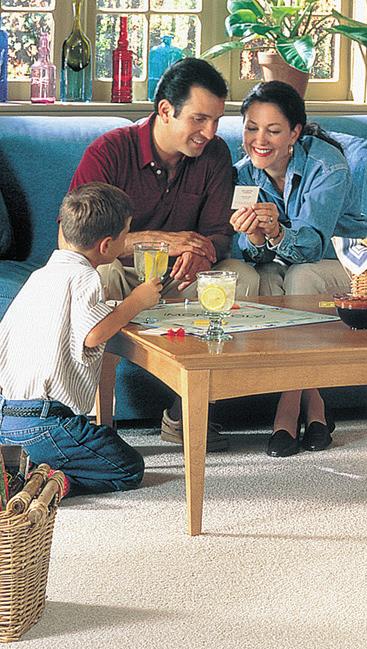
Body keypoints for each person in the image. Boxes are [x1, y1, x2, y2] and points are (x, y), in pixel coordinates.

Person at [68, 57, 258, 452]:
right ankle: (102, 424)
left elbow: (219, 233)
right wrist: (157, 241)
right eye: (199, 119)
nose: (210, 132)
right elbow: (73, 242)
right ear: (166, 110)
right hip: (120, 274)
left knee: (240, 278)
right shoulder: (109, 152)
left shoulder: (215, 155)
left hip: (181, 278)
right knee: (98, 278)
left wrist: (204, 255)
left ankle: (182, 415)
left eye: (216, 120)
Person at [230, 81, 367, 458]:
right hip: (288, 263)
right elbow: (253, 256)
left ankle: (287, 408)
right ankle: (316, 404)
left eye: (273, 130)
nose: (259, 140)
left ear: (294, 132)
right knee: (264, 279)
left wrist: (276, 231)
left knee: (300, 276)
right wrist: (255, 237)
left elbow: (312, 247)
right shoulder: (243, 174)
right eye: (251, 128)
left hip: (344, 262)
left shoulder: (327, 164)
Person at [0, 183, 160, 495]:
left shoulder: (40, 277)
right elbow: (94, 333)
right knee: (128, 467)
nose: (127, 240)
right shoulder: (86, 276)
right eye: (126, 234)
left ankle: (25, 468)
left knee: (95, 439)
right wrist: (136, 301)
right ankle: (41, 485)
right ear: (107, 246)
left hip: (7, 417)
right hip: (45, 423)